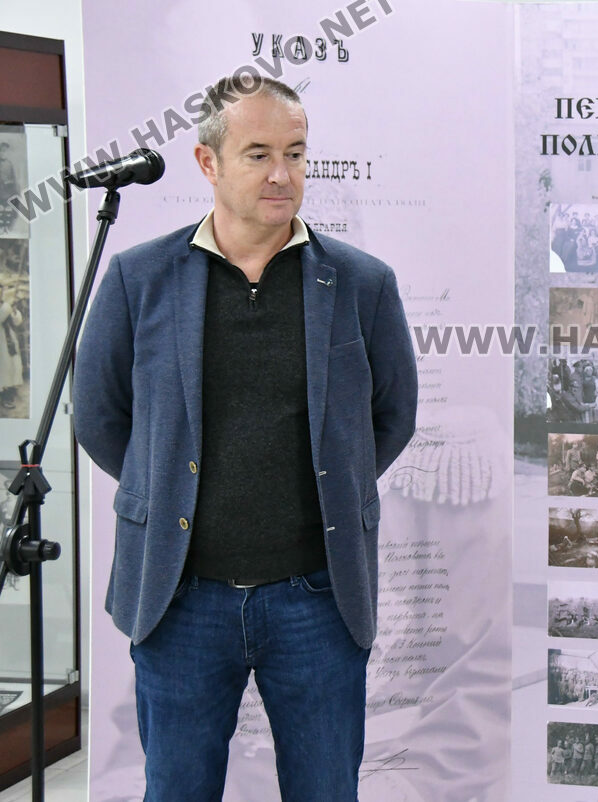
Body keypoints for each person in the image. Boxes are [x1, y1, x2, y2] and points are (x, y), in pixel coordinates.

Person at [72, 76, 417, 801]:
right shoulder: (140, 278)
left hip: (318, 598)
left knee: (326, 791)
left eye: (295, 152)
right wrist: (164, 485)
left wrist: (335, 483)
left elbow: (392, 417)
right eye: (258, 154)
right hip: (179, 598)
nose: (281, 174)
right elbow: (100, 417)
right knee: (176, 791)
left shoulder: (362, 283)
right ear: (208, 162)